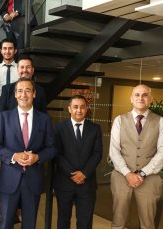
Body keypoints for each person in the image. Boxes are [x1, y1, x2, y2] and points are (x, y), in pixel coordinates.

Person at [0, 77, 57, 229]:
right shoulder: (4, 117)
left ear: (34, 94)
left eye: (28, 90)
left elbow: (52, 148)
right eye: (20, 91)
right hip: (9, 180)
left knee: (29, 224)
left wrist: (38, 157)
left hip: (33, 180)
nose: (23, 94)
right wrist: (13, 156)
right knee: (6, 223)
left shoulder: (44, 119)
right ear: (15, 94)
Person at [109, 84, 163, 229]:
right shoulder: (119, 120)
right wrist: (127, 173)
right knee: (118, 221)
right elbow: (114, 151)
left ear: (151, 98)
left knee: (148, 224)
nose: (140, 98)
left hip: (150, 178)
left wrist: (142, 173)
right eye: (137, 95)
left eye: (144, 95)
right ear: (131, 98)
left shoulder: (161, 122)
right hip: (121, 176)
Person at [53, 95, 103, 229]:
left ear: (87, 108)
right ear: (69, 109)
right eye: (75, 107)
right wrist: (72, 174)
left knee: (85, 222)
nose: (79, 110)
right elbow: (57, 154)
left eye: (82, 107)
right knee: (63, 221)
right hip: (64, 183)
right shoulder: (58, 128)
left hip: (87, 184)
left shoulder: (95, 128)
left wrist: (84, 173)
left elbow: (97, 153)